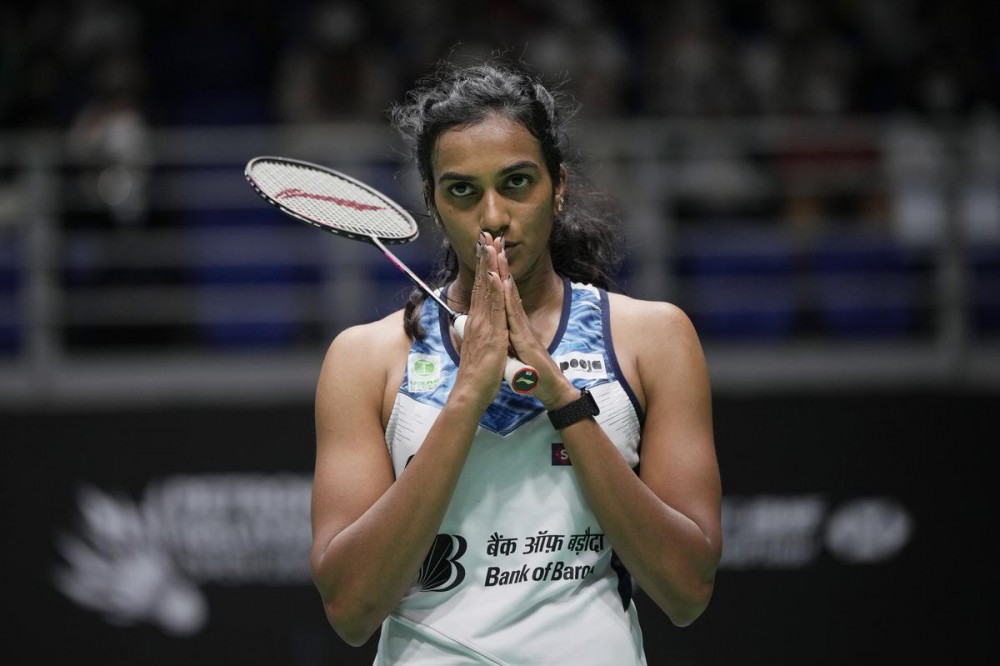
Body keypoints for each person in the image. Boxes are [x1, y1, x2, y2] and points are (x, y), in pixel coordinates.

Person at [309, 55, 722, 665]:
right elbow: (350, 610)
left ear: (559, 187)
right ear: (432, 202)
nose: (494, 218)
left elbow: (686, 590)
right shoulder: (366, 360)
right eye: (462, 191)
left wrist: (563, 399)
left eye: (517, 182)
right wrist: (466, 395)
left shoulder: (651, 339)